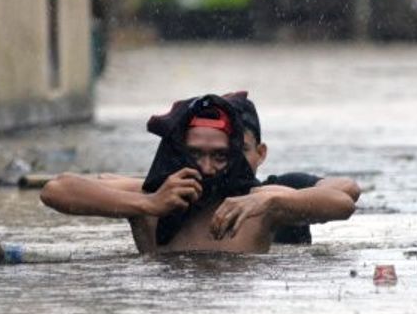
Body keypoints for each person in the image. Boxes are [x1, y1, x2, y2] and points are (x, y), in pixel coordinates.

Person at [40, 92, 360, 254]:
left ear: (237, 155)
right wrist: (148, 205)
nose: (206, 168)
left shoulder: (257, 204)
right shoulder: (151, 198)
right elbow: (56, 189)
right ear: (176, 152)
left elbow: (342, 204)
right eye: (195, 155)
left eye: (220, 156)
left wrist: (272, 204)